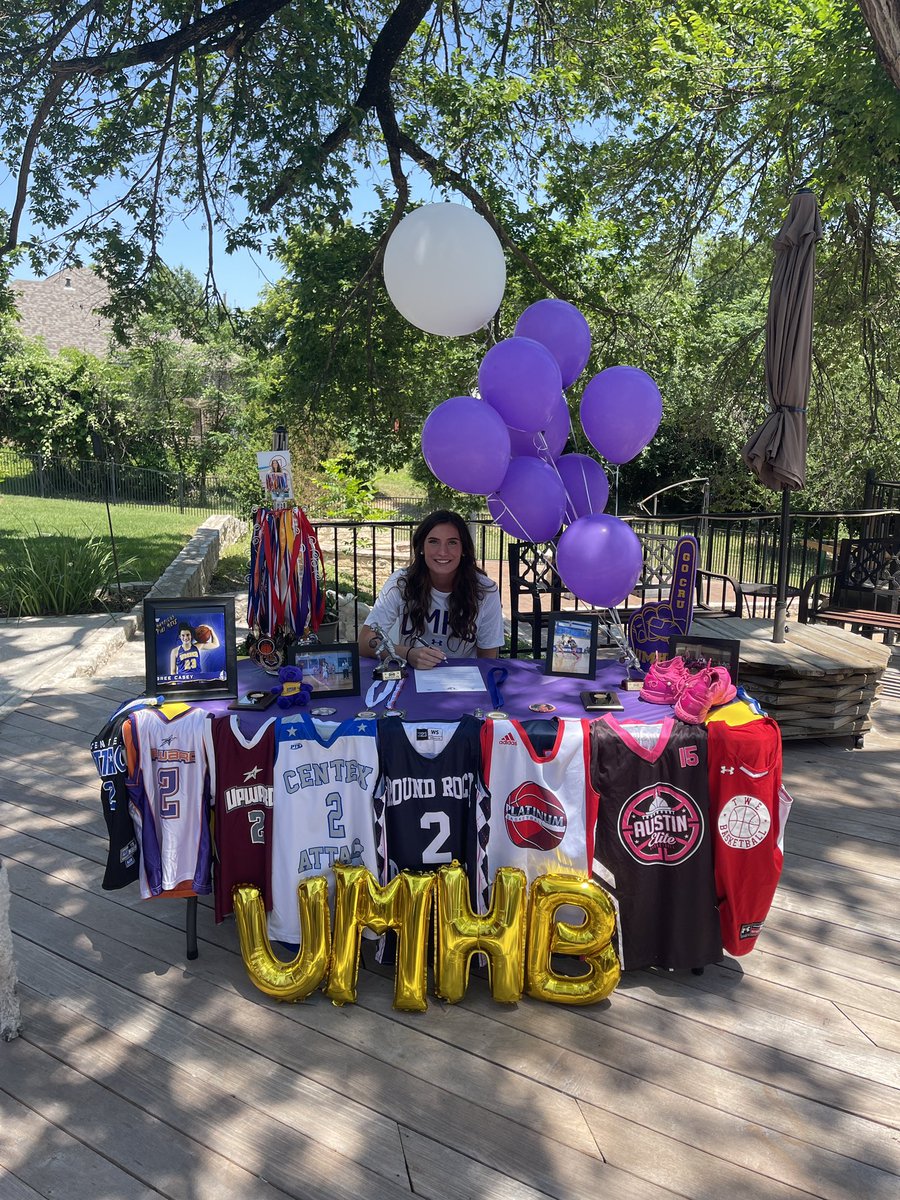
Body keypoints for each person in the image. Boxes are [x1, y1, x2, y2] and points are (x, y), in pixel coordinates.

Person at [358, 510, 504, 669]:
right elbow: (365, 641)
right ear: (421, 548)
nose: (442, 551)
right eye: (433, 541)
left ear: (464, 549)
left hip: (463, 682)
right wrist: (407, 654)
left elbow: (488, 659)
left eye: (452, 542)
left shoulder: (485, 591)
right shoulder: (401, 583)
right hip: (411, 677)